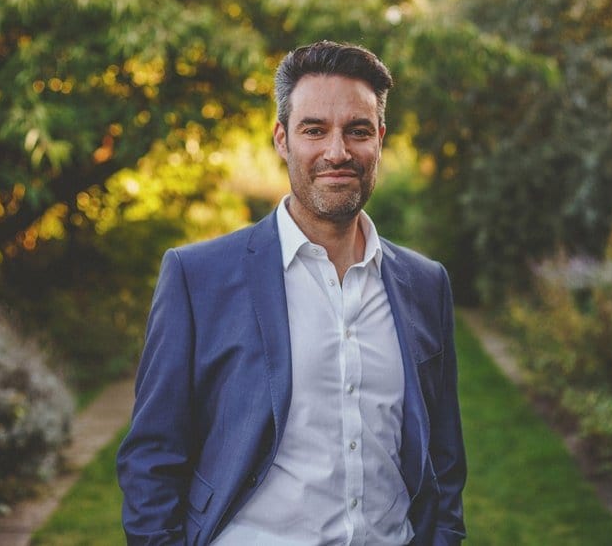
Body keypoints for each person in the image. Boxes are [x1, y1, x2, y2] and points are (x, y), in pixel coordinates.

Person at [117, 40, 466, 546]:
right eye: (314, 130)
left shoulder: (425, 284)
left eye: (358, 131)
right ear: (282, 139)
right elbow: (151, 458)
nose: (337, 151)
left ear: (380, 139)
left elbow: (444, 458)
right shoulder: (197, 278)